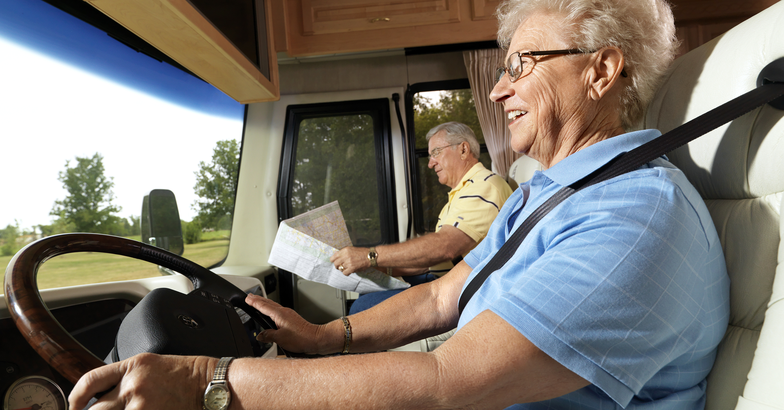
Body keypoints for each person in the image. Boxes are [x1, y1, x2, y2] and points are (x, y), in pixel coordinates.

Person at [68, 0, 731, 409]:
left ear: (601, 70)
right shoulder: (550, 192)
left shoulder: (635, 216)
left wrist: (204, 385)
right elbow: (448, 298)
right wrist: (326, 338)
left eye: (522, 64)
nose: (498, 93)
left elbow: (450, 383)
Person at [332, 121, 513, 314]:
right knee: (366, 295)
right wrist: (382, 270)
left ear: (463, 149)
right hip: (446, 279)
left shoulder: (484, 186)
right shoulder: (460, 194)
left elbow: (446, 247)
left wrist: (370, 256)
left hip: (463, 289)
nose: (430, 163)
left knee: (361, 308)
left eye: (436, 152)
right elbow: (430, 262)